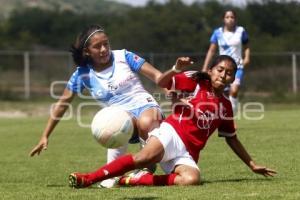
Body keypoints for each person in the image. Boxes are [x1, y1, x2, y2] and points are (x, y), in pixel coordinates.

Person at [68, 55, 276, 188]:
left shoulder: (225, 105)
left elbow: (231, 138)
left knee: (191, 180)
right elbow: (165, 82)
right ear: (211, 69)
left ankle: (135, 179)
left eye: (229, 73)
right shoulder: (198, 81)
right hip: (171, 133)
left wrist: (252, 164)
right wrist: (176, 73)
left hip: (188, 153)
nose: (223, 75)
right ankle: (89, 178)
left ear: (232, 79)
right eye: (220, 69)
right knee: (144, 158)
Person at [29, 25, 164, 185]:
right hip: (121, 117)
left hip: (146, 107)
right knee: (113, 127)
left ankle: (147, 164)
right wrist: (45, 135)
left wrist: (176, 92)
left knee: (146, 122)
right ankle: (112, 173)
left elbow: (157, 76)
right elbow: (62, 103)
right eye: (97, 46)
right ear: (87, 51)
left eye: (106, 44)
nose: (103, 49)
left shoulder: (124, 56)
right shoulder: (82, 74)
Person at [202, 10, 250, 115]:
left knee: (234, 90)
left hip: (237, 66)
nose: (230, 19)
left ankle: (231, 117)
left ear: (235, 19)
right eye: (227, 17)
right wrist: (205, 68)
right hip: (222, 68)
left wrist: (247, 58)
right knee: (221, 93)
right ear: (223, 19)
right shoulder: (217, 33)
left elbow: (246, 46)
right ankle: (220, 115)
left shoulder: (241, 31)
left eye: (232, 17)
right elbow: (211, 50)